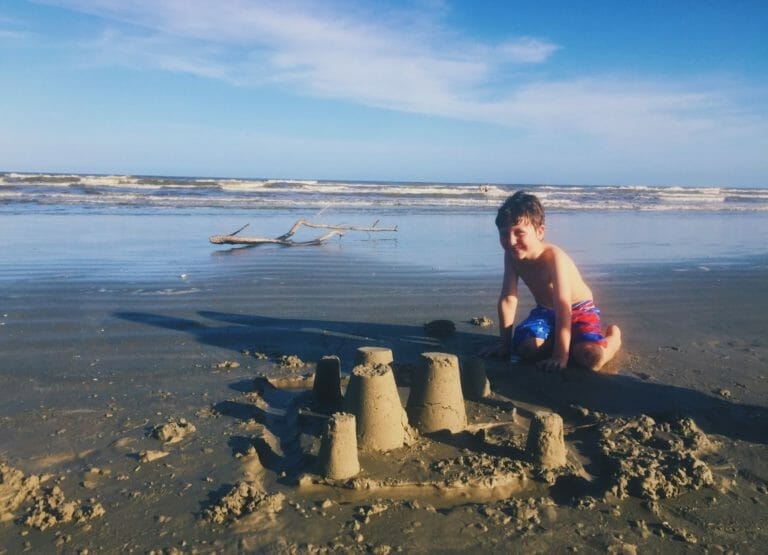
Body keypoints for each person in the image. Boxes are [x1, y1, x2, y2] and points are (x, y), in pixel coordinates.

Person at [480, 191, 621, 371]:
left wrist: (560, 356)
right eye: (504, 234)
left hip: (578, 309)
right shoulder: (511, 256)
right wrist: (504, 344)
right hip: (546, 311)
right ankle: (564, 339)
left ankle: (613, 339)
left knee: (590, 357)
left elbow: (563, 305)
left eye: (519, 233)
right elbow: (508, 299)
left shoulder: (554, 257)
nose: (511, 241)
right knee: (525, 348)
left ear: (540, 232)